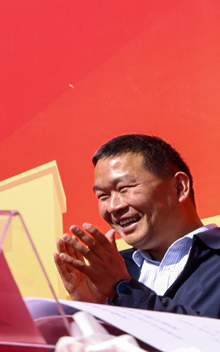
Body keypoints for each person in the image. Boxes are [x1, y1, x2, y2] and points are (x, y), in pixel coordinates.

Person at [55, 134, 218, 316]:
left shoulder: (115, 278)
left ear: (179, 187)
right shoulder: (111, 271)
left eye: (124, 188)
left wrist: (123, 289)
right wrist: (92, 310)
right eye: (103, 196)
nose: (113, 206)